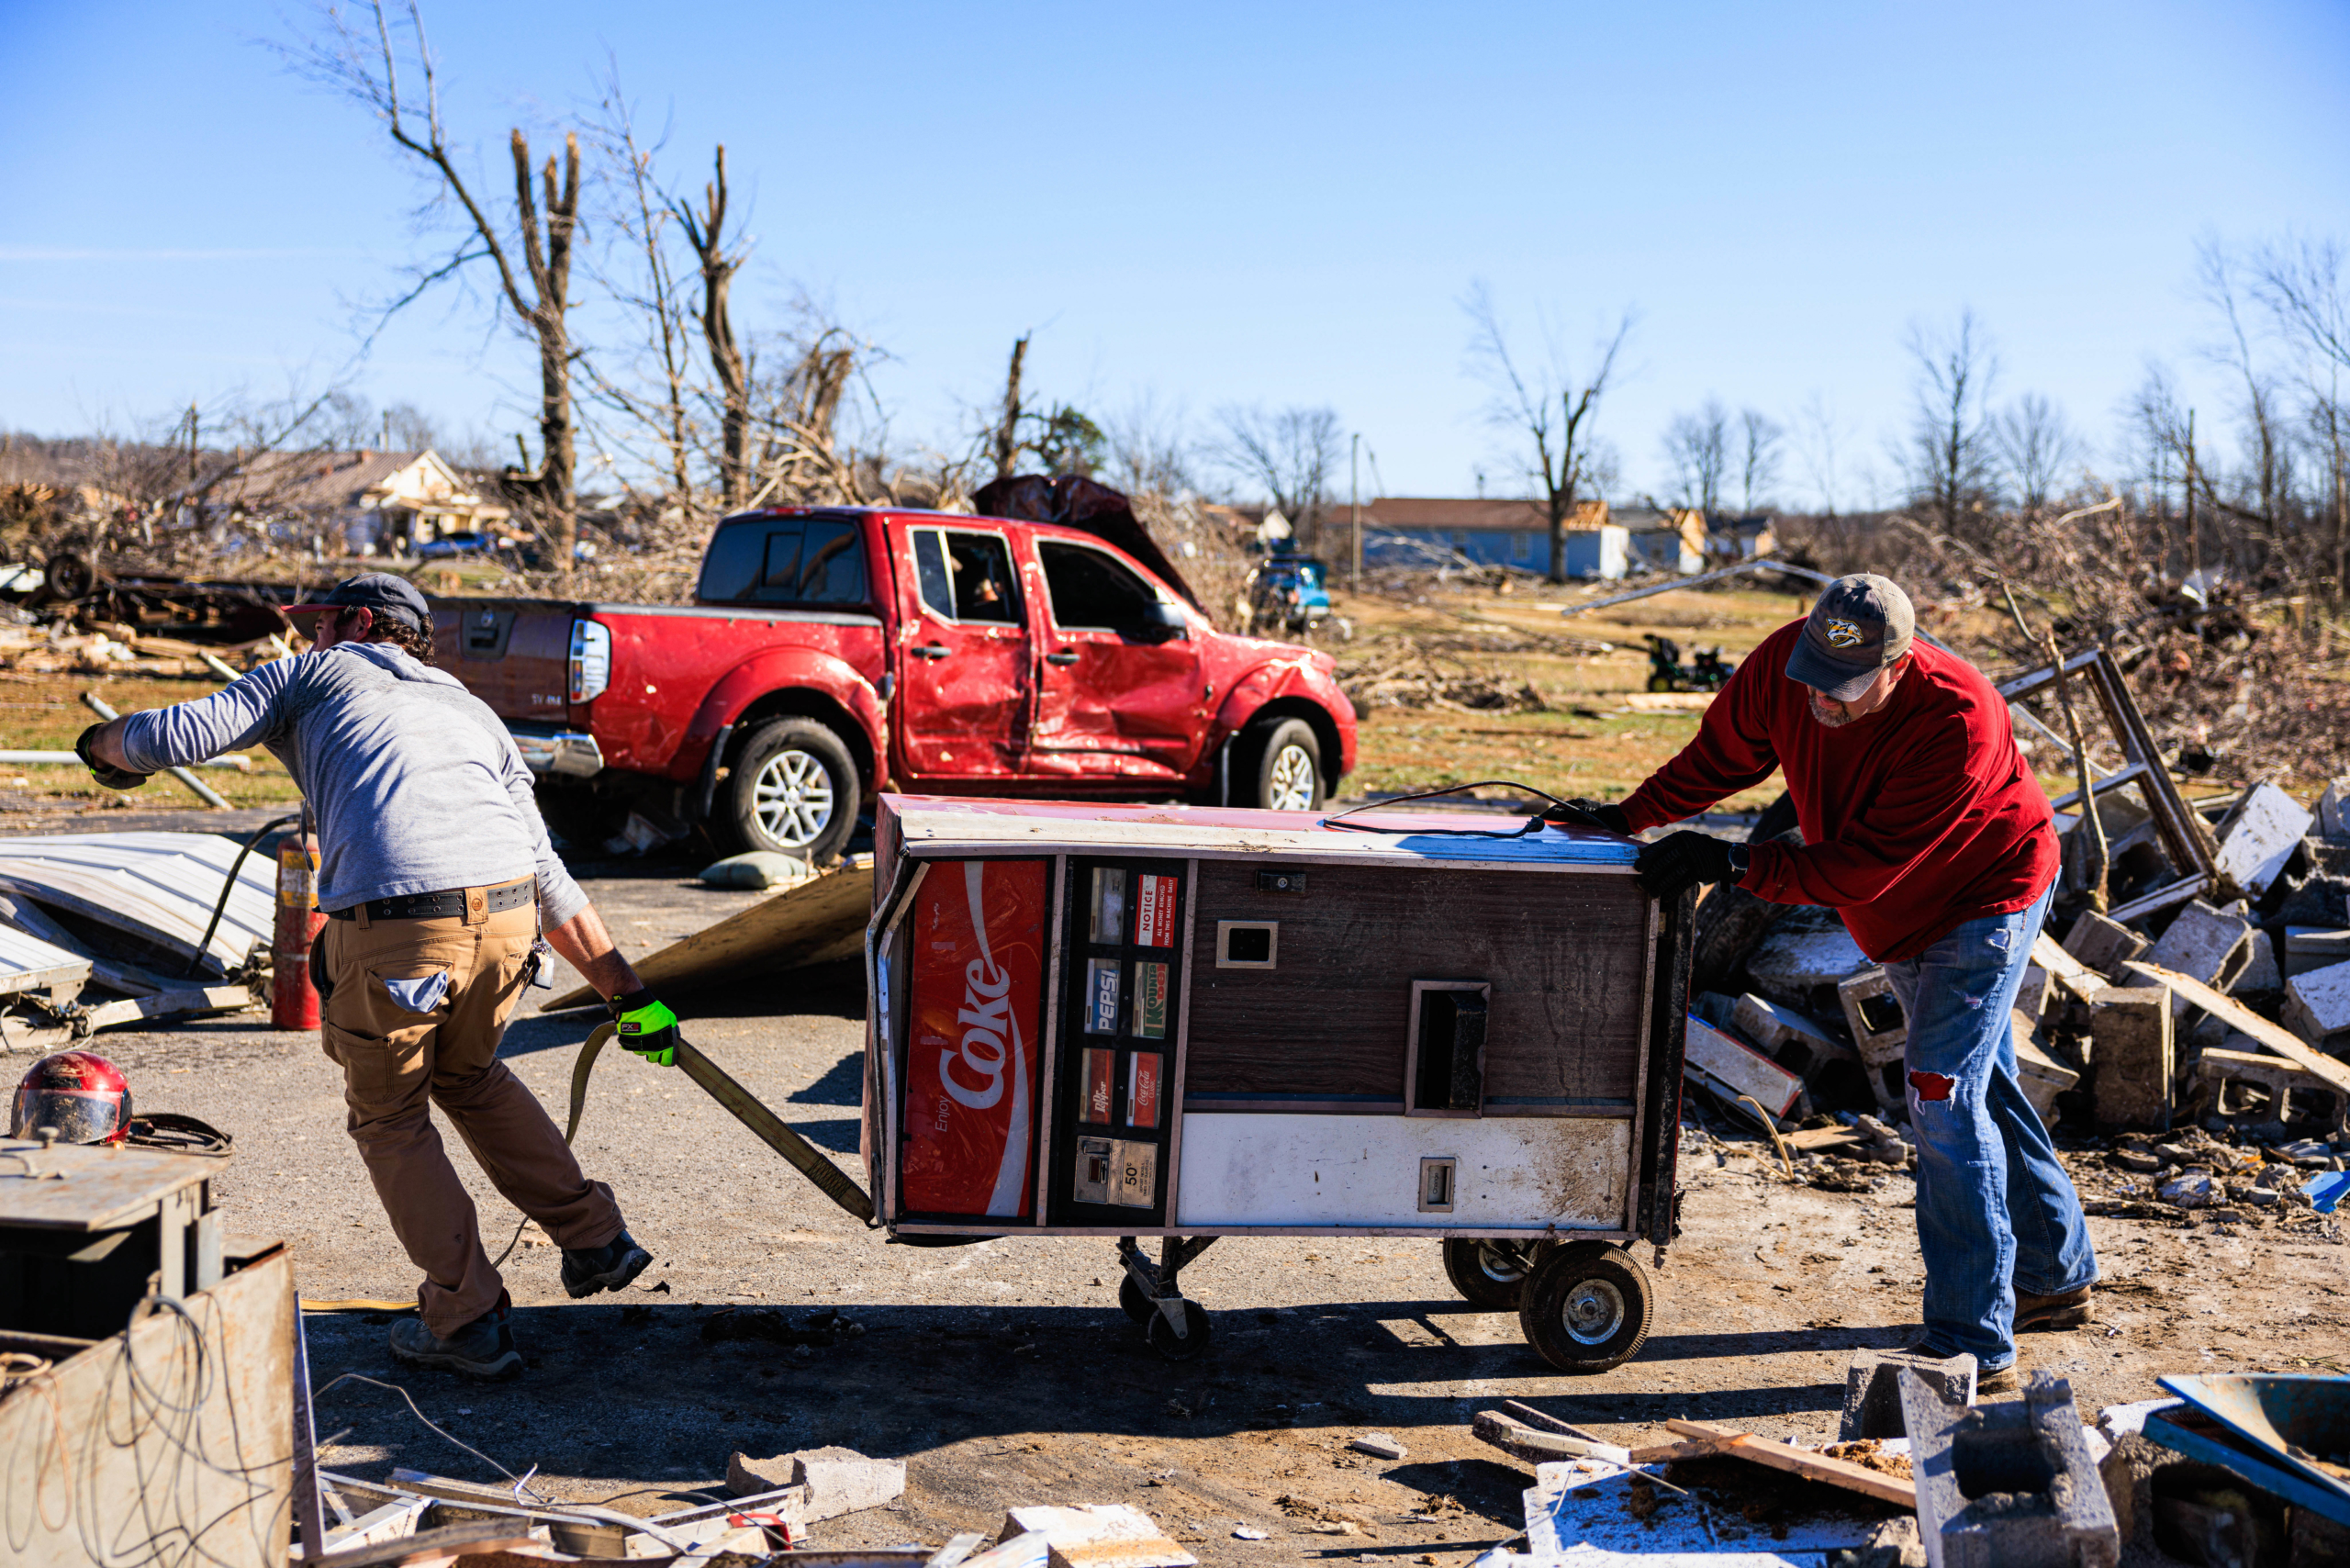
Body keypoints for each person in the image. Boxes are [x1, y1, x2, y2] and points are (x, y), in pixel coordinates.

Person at [78, 573, 688, 1380]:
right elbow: (548, 875)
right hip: (507, 921)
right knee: (469, 1074)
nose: (305, 639)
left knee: (390, 1119)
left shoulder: (316, 672)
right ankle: (596, 1240)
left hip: (403, 929)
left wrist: (100, 747)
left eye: (316, 625)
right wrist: (628, 992)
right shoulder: (473, 712)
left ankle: (465, 1318)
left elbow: (172, 736)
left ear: (361, 623)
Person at [1560, 574, 2097, 1389]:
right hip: (1897, 906)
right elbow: (1721, 756)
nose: (1823, 704)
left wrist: (1736, 861)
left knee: (1942, 1095)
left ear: (1901, 663)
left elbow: (1863, 867)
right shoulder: (1787, 667)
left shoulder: (1959, 717)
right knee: (1976, 1086)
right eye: (1815, 679)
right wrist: (1629, 816)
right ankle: (2055, 1274)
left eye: (1846, 692)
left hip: (1982, 897)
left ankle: (1971, 1344)